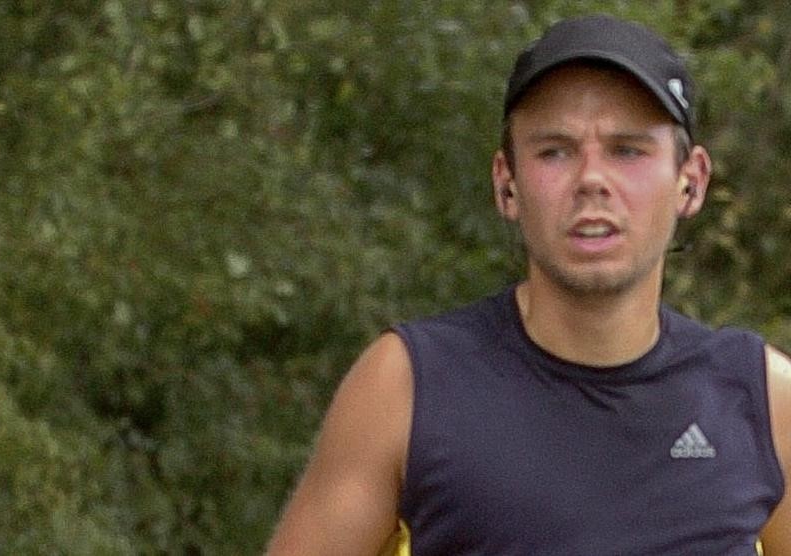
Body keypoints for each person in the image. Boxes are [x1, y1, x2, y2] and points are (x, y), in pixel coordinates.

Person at [267, 15, 791, 555]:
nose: (591, 178)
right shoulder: (407, 386)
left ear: (692, 182)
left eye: (628, 150)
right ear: (506, 184)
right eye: (555, 151)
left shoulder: (763, 399)